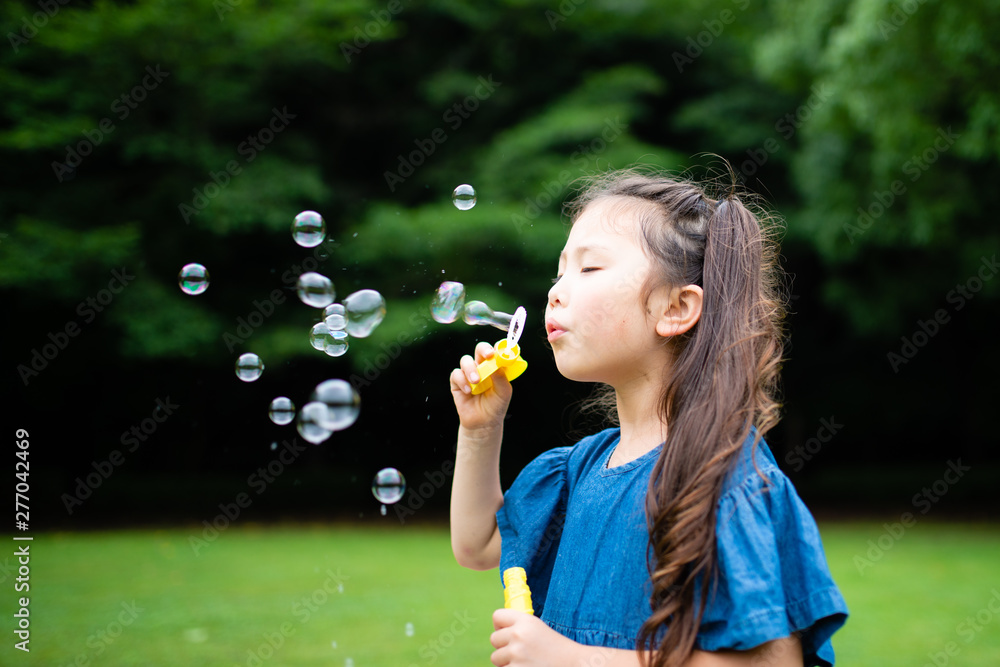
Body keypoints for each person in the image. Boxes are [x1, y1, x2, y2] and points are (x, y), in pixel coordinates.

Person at [449, 168, 848, 667]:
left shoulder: (721, 475)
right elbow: (478, 544)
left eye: (589, 269)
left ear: (677, 309)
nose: (555, 291)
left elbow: (774, 662)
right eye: (559, 271)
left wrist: (572, 659)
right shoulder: (575, 472)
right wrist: (480, 429)